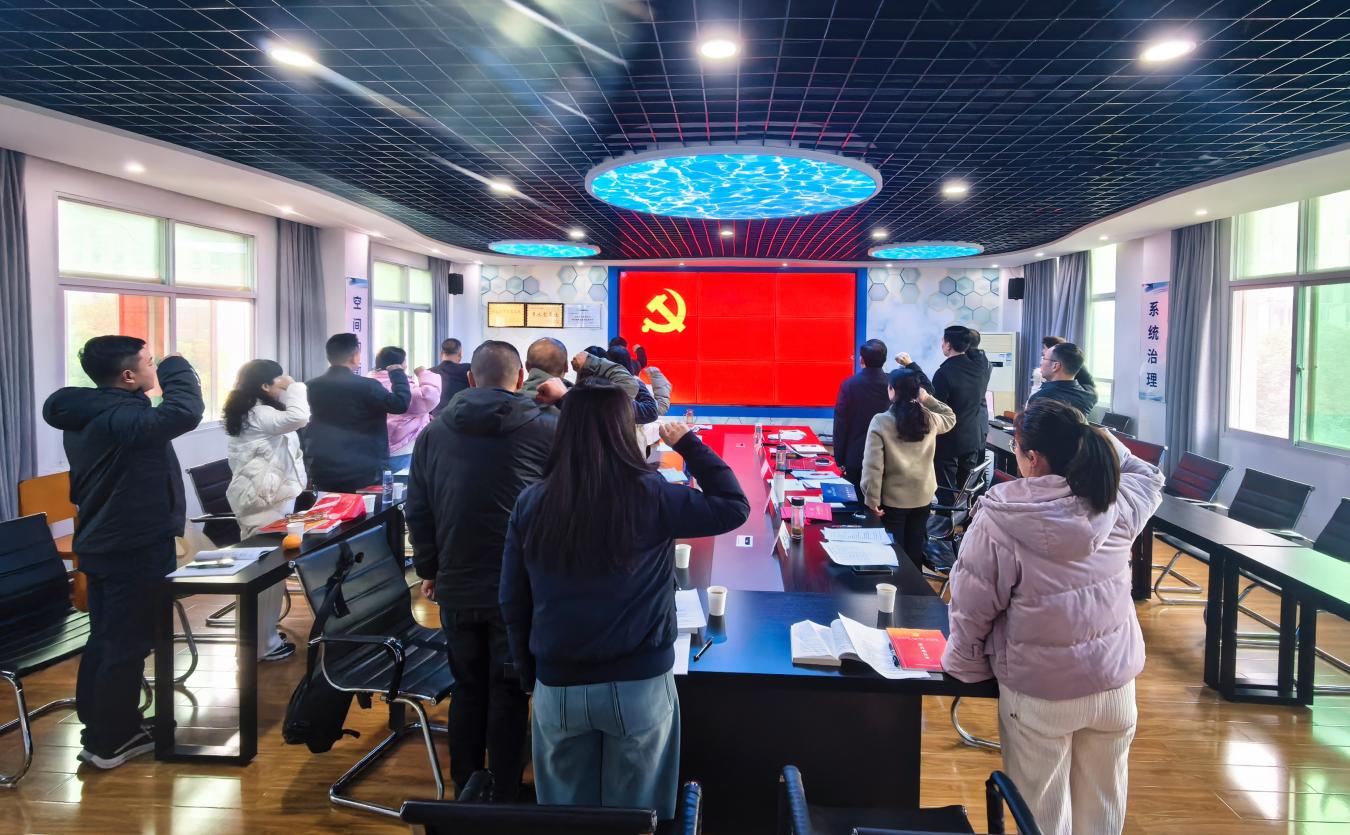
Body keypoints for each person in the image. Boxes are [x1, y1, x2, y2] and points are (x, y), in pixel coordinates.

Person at [500, 380, 750, 819]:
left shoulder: (532, 501)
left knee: (565, 819)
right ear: (624, 432)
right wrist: (688, 444)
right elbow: (733, 505)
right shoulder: (652, 494)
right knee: (634, 818)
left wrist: (530, 675)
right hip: (639, 684)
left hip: (559, 683)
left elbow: (512, 599)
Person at [942, 399, 1163, 835]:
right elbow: (1148, 474)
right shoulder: (1114, 500)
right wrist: (1091, 431)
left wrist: (964, 665)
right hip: (1115, 684)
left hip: (1040, 691)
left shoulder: (1003, 517)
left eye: (1017, 447)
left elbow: (972, 607)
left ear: (1033, 458)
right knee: (1102, 810)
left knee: (1040, 816)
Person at [43, 336, 204, 769]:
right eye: (150, 362)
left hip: (111, 542)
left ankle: (108, 728)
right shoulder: (120, 418)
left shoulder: (102, 411)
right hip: (130, 545)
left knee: (110, 639)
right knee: (124, 643)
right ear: (129, 375)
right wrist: (177, 365)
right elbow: (185, 412)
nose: (155, 368)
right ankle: (109, 741)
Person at [406, 340, 556, 802]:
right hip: (519, 588)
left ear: (470, 379)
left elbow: (418, 508)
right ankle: (505, 793)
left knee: (467, 687)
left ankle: (465, 790)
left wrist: (429, 567)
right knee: (508, 689)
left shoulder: (433, 432)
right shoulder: (548, 428)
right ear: (520, 379)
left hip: (456, 583)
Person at [222, 359, 310, 662]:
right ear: (264, 385)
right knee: (265, 576)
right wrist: (295, 385)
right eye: (277, 381)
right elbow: (300, 416)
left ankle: (261, 638)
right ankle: (262, 644)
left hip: (267, 500)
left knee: (267, 574)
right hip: (263, 504)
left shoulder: (253, 411)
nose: (282, 385)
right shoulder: (259, 413)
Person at [859, 368, 957, 569]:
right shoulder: (929, 418)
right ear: (917, 392)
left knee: (894, 554)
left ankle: (897, 587)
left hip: (893, 500)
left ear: (892, 390)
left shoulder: (881, 421)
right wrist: (927, 399)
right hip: (923, 497)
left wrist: (872, 500)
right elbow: (950, 416)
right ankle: (916, 587)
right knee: (914, 551)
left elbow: (873, 466)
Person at [304, 333, 411, 492]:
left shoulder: (311, 386)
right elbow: (400, 404)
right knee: (366, 507)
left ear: (329, 356)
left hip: (324, 467)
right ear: (355, 357)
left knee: (331, 506)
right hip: (364, 469)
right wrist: (397, 373)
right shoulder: (367, 386)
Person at [898, 325, 991, 490]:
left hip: (949, 442)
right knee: (967, 492)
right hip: (972, 439)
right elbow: (978, 353)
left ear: (948, 345)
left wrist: (912, 366)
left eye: (943, 341)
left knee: (946, 492)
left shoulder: (944, 373)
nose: (942, 344)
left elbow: (933, 403)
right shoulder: (981, 368)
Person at [370, 346, 441, 473]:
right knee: (402, 483)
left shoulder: (369, 383)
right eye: (404, 362)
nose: (406, 365)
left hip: (375, 446)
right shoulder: (402, 385)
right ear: (398, 365)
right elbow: (429, 397)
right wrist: (423, 373)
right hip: (402, 448)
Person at [832, 339, 891, 492]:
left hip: (856, 457)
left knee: (857, 501)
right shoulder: (893, 384)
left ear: (861, 360)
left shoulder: (849, 385)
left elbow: (841, 423)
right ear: (885, 359)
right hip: (888, 456)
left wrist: (839, 458)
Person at [1029, 342, 1098, 416]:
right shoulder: (1090, 395)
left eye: (1044, 358)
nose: (1041, 363)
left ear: (1055, 366)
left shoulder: (1040, 398)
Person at [430, 338, 471, 415]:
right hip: (460, 417)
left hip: (435, 419)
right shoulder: (468, 370)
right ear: (460, 355)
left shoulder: (429, 372)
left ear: (441, 354)